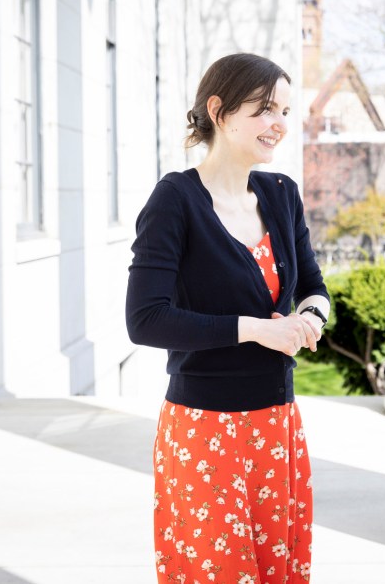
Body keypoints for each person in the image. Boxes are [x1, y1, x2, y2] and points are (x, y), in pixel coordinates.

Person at [126, 53, 330, 584]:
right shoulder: (176, 200)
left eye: (284, 111)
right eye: (265, 109)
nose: (280, 125)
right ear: (218, 110)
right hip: (204, 430)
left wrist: (312, 317)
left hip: (276, 427)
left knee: (275, 570)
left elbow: (312, 285)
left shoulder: (281, 195)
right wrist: (258, 328)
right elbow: (145, 319)